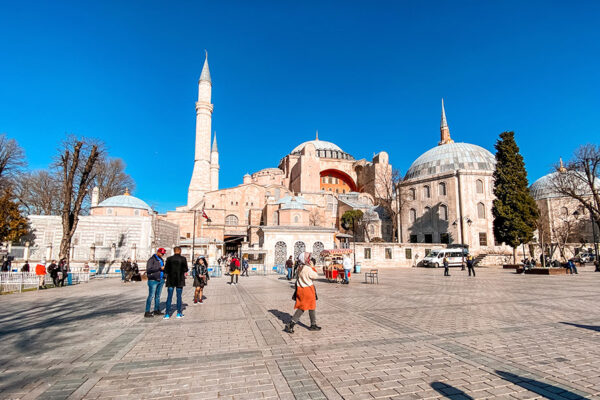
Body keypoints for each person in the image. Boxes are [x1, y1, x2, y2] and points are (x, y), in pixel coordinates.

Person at [285, 252, 321, 333]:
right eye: (308, 258)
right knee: (304, 307)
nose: (309, 259)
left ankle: (313, 324)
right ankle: (291, 324)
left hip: (301, 289)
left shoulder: (300, 267)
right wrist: (313, 267)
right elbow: (315, 276)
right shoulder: (307, 268)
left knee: (308, 306)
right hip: (307, 289)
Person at [164, 246, 188, 319]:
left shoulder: (169, 259)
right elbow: (186, 269)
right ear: (180, 251)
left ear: (174, 251)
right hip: (179, 280)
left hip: (170, 280)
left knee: (169, 297)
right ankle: (179, 313)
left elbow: (166, 270)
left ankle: (167, 314)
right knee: (179, 296)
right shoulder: (183, 259)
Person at [144, 248, 166, 318]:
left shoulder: (161, 260)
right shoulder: (151, 260)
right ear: (158, 252)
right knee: (151, 296)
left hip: (161, 279)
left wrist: (165, 277)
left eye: (163, 254)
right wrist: (160, 268)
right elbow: (149, 269)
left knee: (158, 296)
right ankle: (147, 311)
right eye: (161, 253)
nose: (162, 255)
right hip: (153, 280)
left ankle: (156, 310)